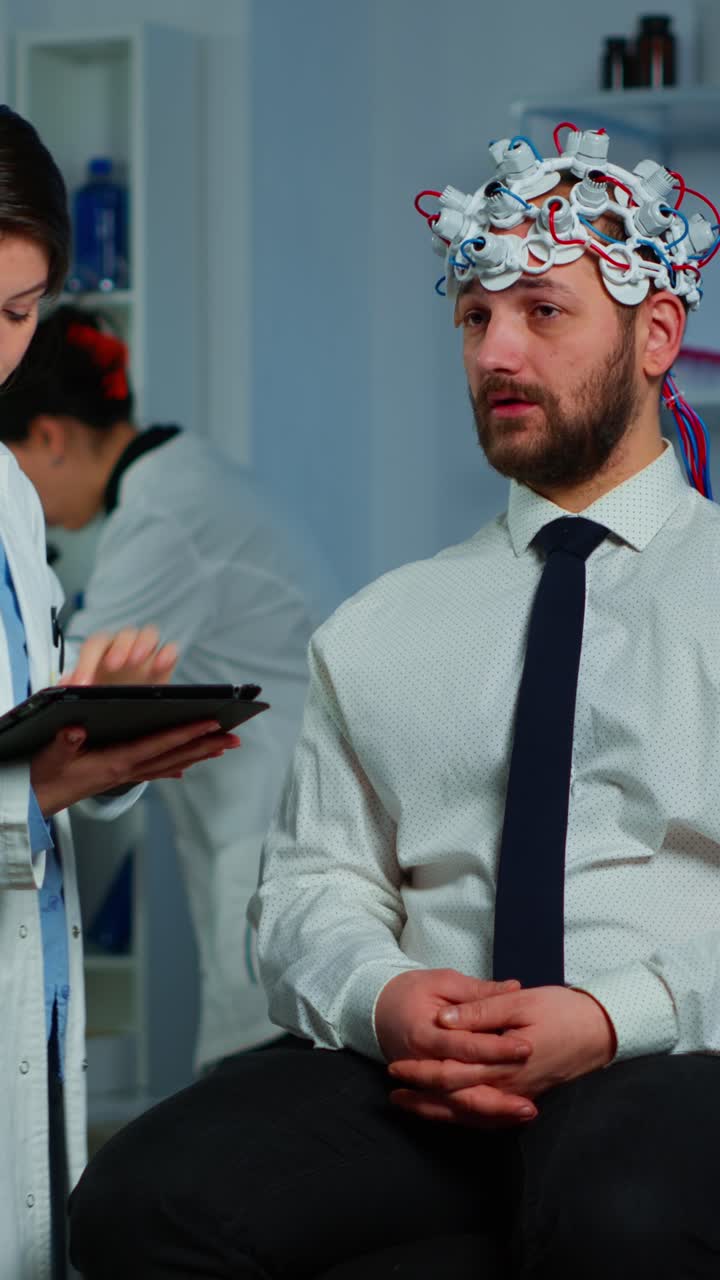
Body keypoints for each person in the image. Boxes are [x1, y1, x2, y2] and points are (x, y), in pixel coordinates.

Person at [69, 127, 720, 1279]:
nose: (495, 350)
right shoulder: (379, 626)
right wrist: (386, 994)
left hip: (672, 1054)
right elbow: (313, 885)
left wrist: (618, 1013)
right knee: (139, 1199)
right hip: (419, 1070)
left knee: (616, 1195)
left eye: (542, 310)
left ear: (656, 333)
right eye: (474, 317)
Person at [0, 107, 242, 1280]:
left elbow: (27, 722)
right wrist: (28, 790)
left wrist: (88, 735)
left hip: (28, 977)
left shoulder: (7, 489)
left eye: (15, 311)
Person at [0, 304, 335, 1072]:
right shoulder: (185, 479)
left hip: (275, 835)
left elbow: (68, 686)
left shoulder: (163, 515)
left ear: (48, 438)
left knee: (262, 1084)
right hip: (267, 823)